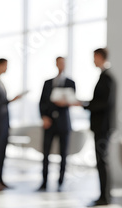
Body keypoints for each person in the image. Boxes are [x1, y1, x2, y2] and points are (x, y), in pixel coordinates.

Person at [83, 48, 117, 207]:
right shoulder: (104, 77)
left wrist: (84, 105)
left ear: (100, 57)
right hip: (101, 126)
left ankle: (104, 197)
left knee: (102, 160)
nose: (93, 60)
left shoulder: (107, 78)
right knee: (101, 160)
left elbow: (103, 103)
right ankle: (104, 196)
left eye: (94, 57)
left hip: (102, 126)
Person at [38, 57, 77, 192]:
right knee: (46, 153)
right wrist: (44, 117)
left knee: (63, 154)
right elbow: (41, 102)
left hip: (63, 124)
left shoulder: (71, 83)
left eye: (63, 63)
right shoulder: (48, 83)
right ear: (56, 64)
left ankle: (60, 182)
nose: (61, 65)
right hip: (49, 123)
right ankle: (44, 182)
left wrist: (65, 103)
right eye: (59, 62)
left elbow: (73, 101)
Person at [0, 58, 22, 191]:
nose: (6, 68)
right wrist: (9, 100)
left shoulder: (1, 83)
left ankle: (0, 180)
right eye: (5, 66)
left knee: (2, 153)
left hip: (4, 123)